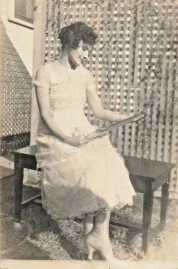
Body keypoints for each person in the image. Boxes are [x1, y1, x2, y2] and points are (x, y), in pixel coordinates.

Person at [34, 21, 136, 262]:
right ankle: (98, 239)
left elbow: (99, 111)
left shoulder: (84, 75)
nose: (86, 55)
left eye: (88, 49)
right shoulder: (45, 72)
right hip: (55, 136)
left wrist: (126, 116)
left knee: (111, 162)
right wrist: (68, 138)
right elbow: (46, 115)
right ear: (69, 45)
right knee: (89, 168)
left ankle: (97, 234)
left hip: (81, 130)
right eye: (83, 48)